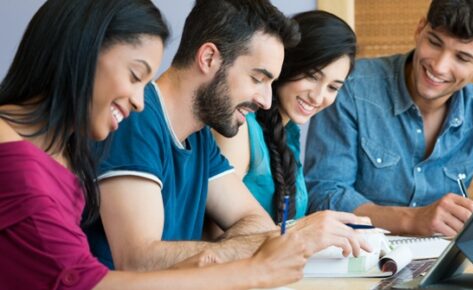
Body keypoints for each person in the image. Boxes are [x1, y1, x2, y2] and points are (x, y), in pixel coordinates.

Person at [0, 0, 310, 289]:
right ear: (83, 53)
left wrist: (215, 259)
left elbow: (256, 224)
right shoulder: (19, 164)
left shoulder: (62, 157)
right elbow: (99, 278)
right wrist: (253, 269)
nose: (138, 100)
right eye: (135, 75)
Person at [85, 0, 371, 272]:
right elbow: (138, 259)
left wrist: (280, 238)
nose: (266, 100)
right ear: (209, 58)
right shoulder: (137, 117)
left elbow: (254, 221)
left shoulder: (199, 136)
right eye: (258, 79)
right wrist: (294, 237)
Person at [304, 0, 473, 244]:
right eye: (435, 43)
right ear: (420, 29)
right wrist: (413, 219)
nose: (439, 66)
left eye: (462, 58)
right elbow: (324, 194)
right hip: (357, 261)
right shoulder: (350, 87)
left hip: (445, 268)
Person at [212, 10, 369, 246]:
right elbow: (214, 240)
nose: (318, 97)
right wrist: (304, 229)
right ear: (287, 63)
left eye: (333, 87)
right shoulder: (240, 128)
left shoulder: (290, 134)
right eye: (312, 76)